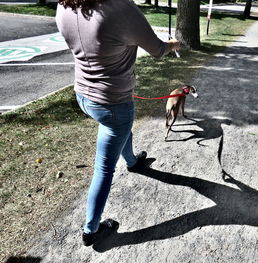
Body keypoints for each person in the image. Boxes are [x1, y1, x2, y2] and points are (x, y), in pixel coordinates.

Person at [55, 0, 180, 246]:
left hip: (83, 95)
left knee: (120, 130)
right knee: (104, 168)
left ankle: (132, 161)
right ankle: (91, 231)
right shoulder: (122, 9)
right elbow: (157, 49)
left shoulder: (63, 6)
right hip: (113, 103)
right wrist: (175, 43)